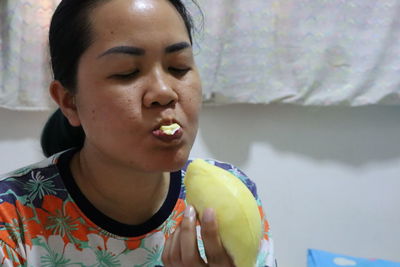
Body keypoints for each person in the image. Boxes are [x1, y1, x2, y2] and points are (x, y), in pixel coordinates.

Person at [0, 0, 275, 266]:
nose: (164, 92)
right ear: (69, 101)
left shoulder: (232, 194)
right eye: (127, 72)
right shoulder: (10, 217)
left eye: (178, 67)